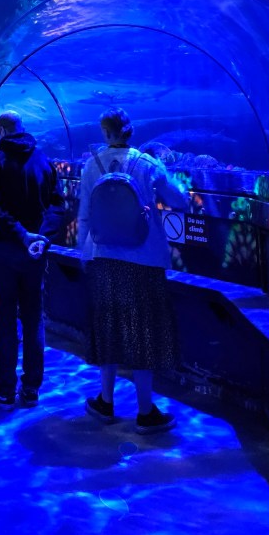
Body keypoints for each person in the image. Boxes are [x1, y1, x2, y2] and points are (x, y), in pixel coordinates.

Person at [78, 107, 188, 434]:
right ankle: (145, 411)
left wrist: (84, 254)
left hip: (104, 259)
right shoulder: (148, 164)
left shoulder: (90, 166)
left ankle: (106, 401)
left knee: (109, 327)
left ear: (105, 133)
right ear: (130, 131)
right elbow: (179, 200)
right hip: (143, 261)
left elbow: (84, 214)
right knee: (144, 331)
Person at [0, 110, 66, 409]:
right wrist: (41, 237)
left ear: (1, 130)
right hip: (35, 254)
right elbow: (58, 205)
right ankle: (31, 388)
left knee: (6, 320)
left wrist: (22, 235)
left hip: (4, 250)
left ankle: (5, 388)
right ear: (23, 127)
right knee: (32, 319)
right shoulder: (44, 160)